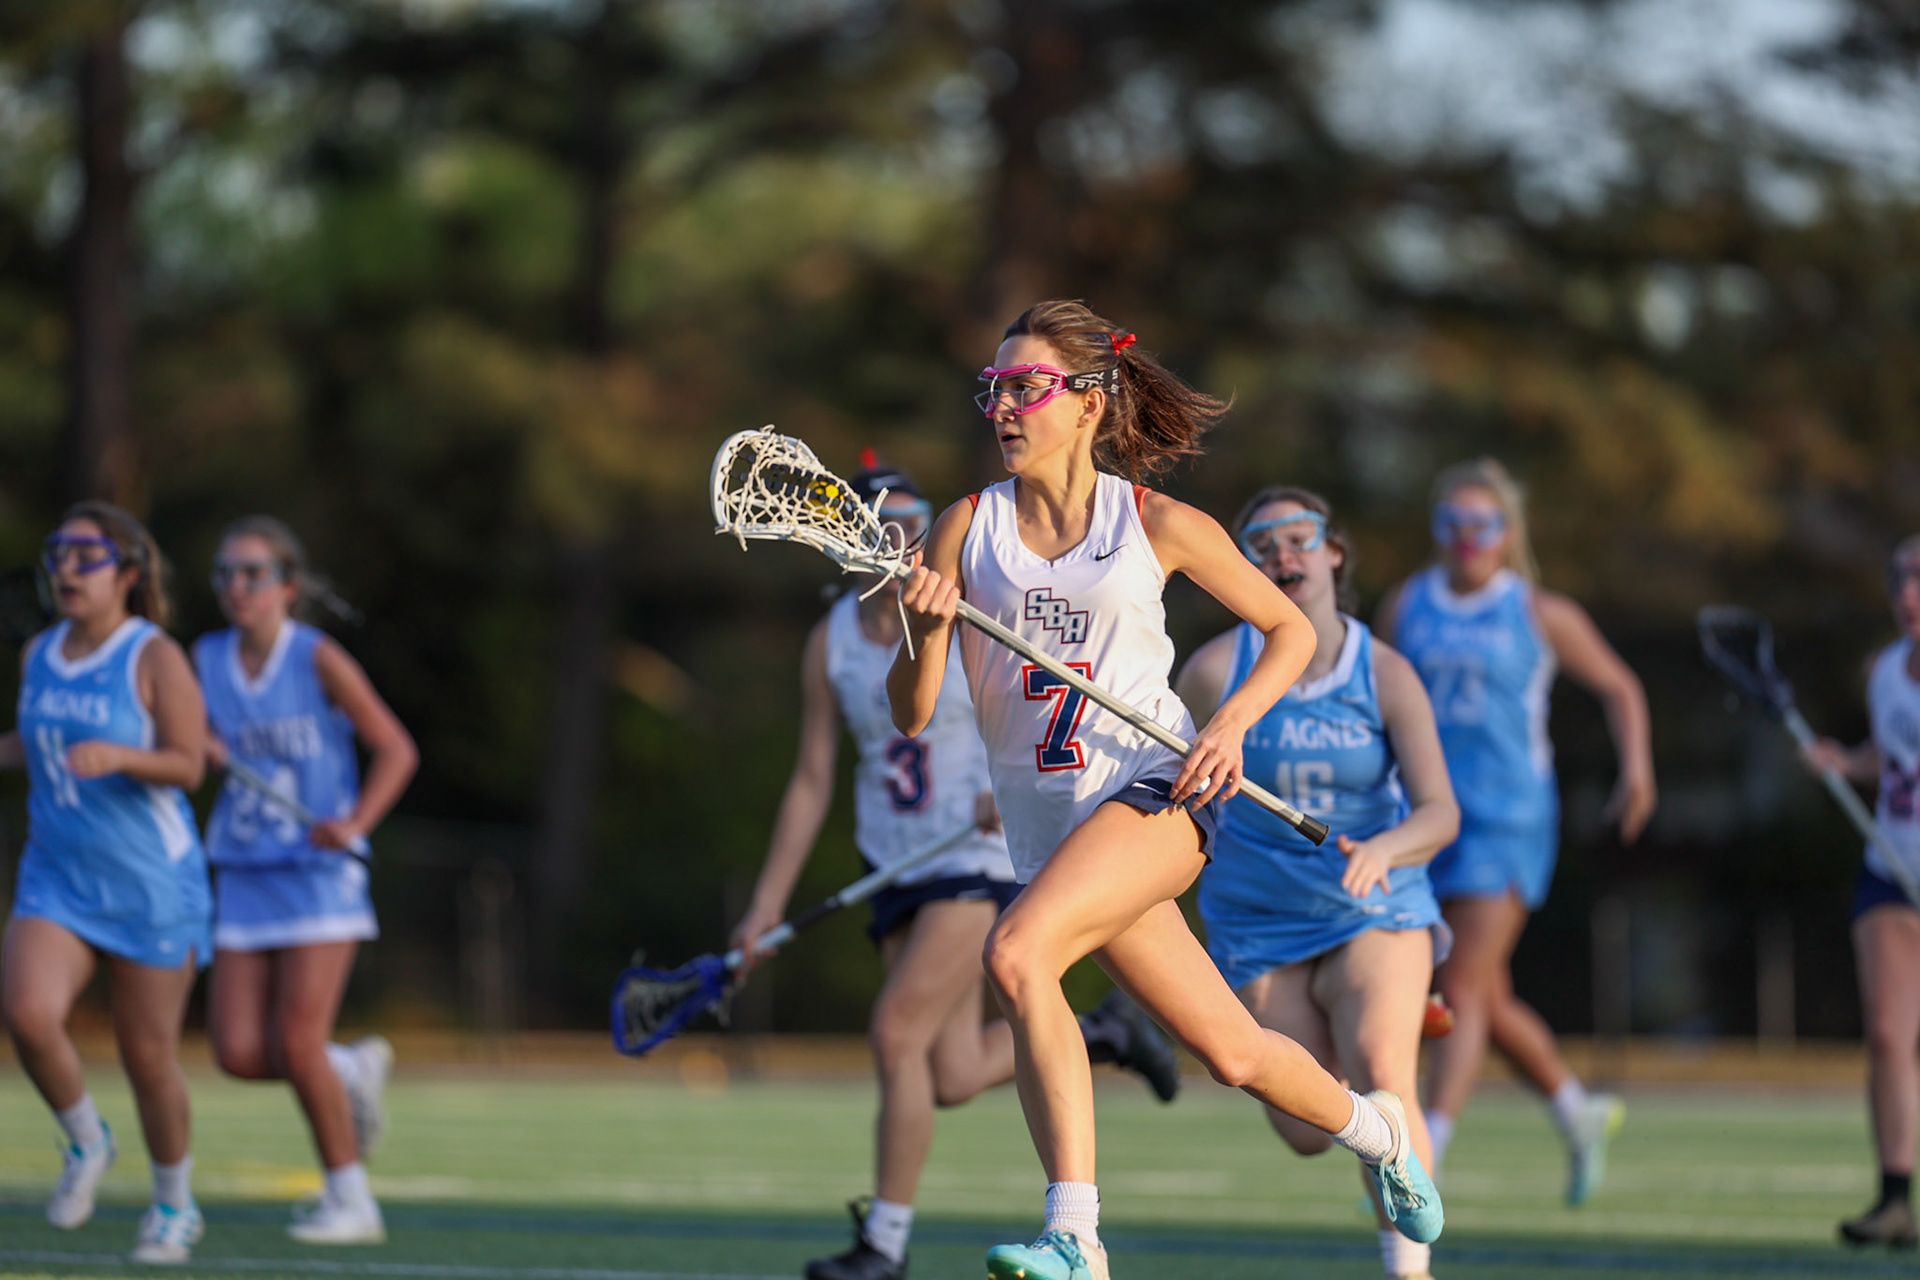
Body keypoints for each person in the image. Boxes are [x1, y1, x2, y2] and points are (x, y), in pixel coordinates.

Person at [889, 300, 1443, 1280]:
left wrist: (1228, 724)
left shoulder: (1153, 522)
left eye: (1027, 388)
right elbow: (912, 708)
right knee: (1236, 1052)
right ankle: (1380, 1130)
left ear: (1090, 401)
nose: (1004, 407)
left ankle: (1077, 1233)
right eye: (994, 389)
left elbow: (1293, 632)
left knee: (1016, 954)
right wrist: (926, 624)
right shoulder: (961, 531)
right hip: (1056, 841)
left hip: (1158, 799)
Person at [733, 457, 1177, 1280]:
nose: (908, 538)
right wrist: (765, 904)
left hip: (976, 855)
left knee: (894, 1033)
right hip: (894, 861)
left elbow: (1046, 701)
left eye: (917, 519)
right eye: (888, 523)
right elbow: (811, 778)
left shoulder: (966, 606)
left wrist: (1004, 785)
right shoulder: (830, 640)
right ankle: (1106, 1032)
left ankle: (885, 1247)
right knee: (943, 1072)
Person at [1177, 487, 1458, 1280]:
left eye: (1298, 538)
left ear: (1334, 553)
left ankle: (1409, 1271)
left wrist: (1388, 848)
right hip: (1257, 916)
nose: (1282, 555)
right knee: (1306, 1128)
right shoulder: (1211, 672)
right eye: (1261, 546)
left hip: (1372, 905)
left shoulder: (1385, 672)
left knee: (1384, 1072)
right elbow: (1163, 779)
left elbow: (1440, 812)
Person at [1379, 458, 1656, 1206]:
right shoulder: (1409, 603)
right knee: (1486, 998)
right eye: (1453, 525)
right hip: (1426, 817)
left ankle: (1427, 1147)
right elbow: (1376, 691)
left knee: (1460, 983)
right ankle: (1576, 1111)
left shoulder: (1537, 612)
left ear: (1508, 535)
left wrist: (1637, 771)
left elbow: (1621, 686)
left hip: (1508, 818)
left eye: (1483, 526)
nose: (1467, 540)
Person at [196, 516, 418, 1244]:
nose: (237, 587)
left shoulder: (318, 658)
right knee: (236, 1051)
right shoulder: (204, 658)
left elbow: (396, 749)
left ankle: (352, 1200)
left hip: (319, 877)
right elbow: (197, 757)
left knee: (294, 1041)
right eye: (227, 573)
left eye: (253, 574)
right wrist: (194, 746)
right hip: (244, 870)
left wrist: (354, 823)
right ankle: (346, 1069)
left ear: (289, 587)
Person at [1, 502, 212, 1264]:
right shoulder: (39, 653)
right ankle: (87, 1142)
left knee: (148, 1058)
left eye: (87, 556)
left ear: (128, 574)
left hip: (151, 884)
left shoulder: (153, 656)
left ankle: (174, 1204)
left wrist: (123, 758)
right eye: (60, 553)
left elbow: (188, 763)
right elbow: (37, 742)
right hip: (56, 876)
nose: (67, 569)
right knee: (26, 1013)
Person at [1803, 534, 1920, 1249]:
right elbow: (1892, 755)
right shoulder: (1884, 673)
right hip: (1891, 869)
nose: (1910, 594)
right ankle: (1895, 1198)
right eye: (1901, 579)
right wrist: (1844, 763)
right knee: (1886, 1034)